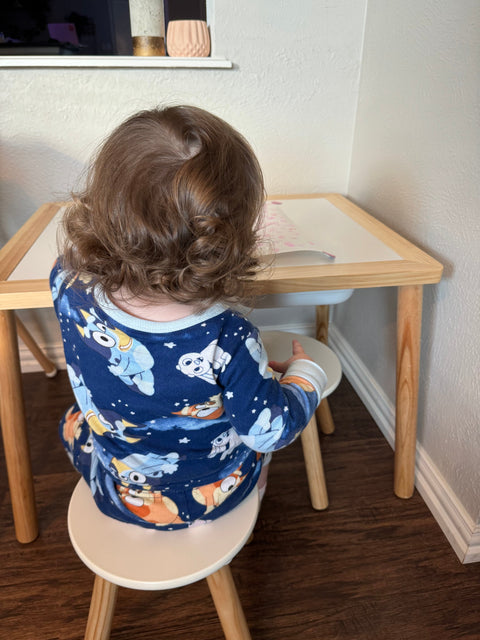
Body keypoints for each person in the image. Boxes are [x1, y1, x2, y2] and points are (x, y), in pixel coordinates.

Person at [50, 105, 327, 530]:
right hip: (206, 497)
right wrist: (306, 377)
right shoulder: (228, 338)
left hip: (116, 482)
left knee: (71, 420)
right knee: (258, 442)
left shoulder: (66, 281)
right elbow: (270, 431)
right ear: (230, 236)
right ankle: (254, 493)